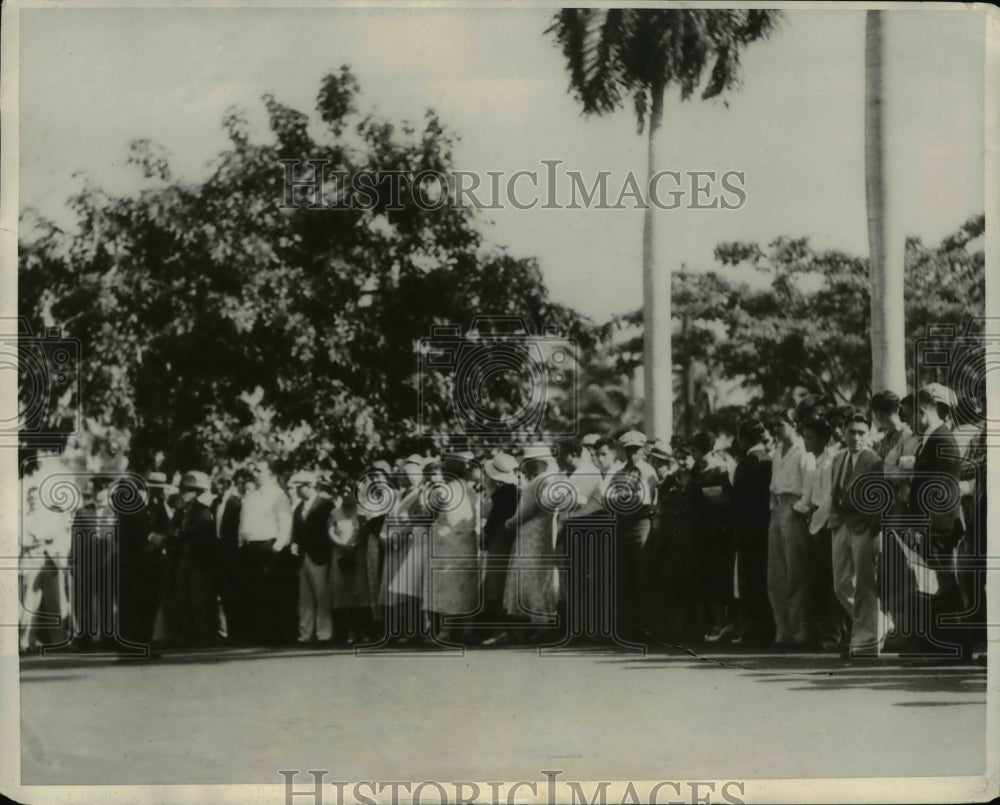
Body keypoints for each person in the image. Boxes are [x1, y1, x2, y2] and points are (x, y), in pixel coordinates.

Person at [902, 383, 966, 656]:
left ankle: (951, 645)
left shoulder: (941, 440)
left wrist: (922, 525)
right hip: (935, 526)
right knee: (940, 584)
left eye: (911, 415)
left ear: (922, 411)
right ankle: (943, 644)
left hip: (937, 527)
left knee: (945, 585)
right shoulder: (936, 439)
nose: (910, 422)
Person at [828, 413, 885, 658]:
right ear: (844, 432)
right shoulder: (839, 458)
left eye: (862, 432)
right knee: (841, 584)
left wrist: (874, 527)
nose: (856, 437)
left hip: (864, 526)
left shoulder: (873, 460)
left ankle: (866, 643)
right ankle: (880, 623)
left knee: (864, 584)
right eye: (852, 431)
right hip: (841, 523)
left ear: (869, 434)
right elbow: (834, 489)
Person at [870, 390, 921, 647]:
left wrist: (887, 474)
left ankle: (906, 627)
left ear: (878, 414)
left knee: (902, 566)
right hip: (887, 508)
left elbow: (901, 471)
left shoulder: (907, 437)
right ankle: (898, 626)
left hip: (901, 505)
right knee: (888, 568)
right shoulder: (886, 438)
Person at [798, 417, 850, 651]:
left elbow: (829, 499)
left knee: (830, 581)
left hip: (826, 524)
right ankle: (831, 632)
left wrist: (817, 523)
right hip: (816, 522)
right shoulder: (817, 462)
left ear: (822, 439)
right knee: (820, 582)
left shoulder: (831, 463)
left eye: (810, 437)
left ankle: (835, 634)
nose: (806, 441)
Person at [766, 412, 816, 647]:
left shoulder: (803, 451)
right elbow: (774, 485)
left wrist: (800, 508)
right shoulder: (777, 453)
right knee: (776, 575)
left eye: (781, 425)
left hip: (794, 509)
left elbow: (809, 483)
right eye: (774, 426)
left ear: (793, 425)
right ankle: (783, 629)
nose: (777, 429)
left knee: (796, 574)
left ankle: (800, 632)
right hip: (778, 509)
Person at [502, 446, 560, 642]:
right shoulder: (540, 481)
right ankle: (532, 622)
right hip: (530, 533)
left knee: (535, 576)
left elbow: (529, 509)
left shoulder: (542, 481)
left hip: (536, 533)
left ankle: (543, 623)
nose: (524, 468)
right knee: (528, 576)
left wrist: (510, 522)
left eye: (528, 463)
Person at [606, 430, 658, 641]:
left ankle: (647, 627)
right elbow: (609, 496)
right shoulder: (620, 471)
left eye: (635, 450)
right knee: (625, 574)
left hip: (641, 523)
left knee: (642, 573)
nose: (632, 454)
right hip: (623, 523)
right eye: (628, 450)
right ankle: (629, 626)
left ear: (643, 450)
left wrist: (623, 497)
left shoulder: (647, 471)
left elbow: (643, 499)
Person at [237, 461, 294, 645]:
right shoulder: (251, 496)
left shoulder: (278, 495)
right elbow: (244, 522)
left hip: (268, 546)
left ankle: (274, 635)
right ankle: (257, 634)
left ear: (270, 474)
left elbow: (285, 523)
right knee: (253, 591)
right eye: (254, 470)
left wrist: (277, 548)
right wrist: (242, 543)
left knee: (271, 591)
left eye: (259, 470)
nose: (255, 474)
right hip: (250, 547)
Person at [424, 455, 478, 643]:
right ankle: (466, 630)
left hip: (446, 545)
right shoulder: (472, 492)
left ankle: (446, 632)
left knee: (448, 588)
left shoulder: (443, 491)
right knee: (465, 587)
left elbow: (428, 512)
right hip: (466, 544)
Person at [731, 419, 774, 646]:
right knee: (763, 578)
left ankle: (753, 630)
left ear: (743, 438)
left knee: (750, 579)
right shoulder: (768, 459)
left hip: (748, 529)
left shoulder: (749, 462)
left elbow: (738, 498)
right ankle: (765, 627)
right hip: (765, 525)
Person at [163, 472, 218, 647]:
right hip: (182, 558)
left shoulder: (202, 510)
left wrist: (181, 533)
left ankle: (201, 635)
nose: (184, 493)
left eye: (188, 490)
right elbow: (173, 529)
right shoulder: (181, 511)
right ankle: (186, 635)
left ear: (196, 492)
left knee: (198, 599)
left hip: (197, 560)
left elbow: (201, 533)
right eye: (183, 490)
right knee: (182, 597)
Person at [288, 471, 335, 644]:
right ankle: (306, 633)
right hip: (302, 556)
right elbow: (296, 531)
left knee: (322, 595)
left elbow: (329, 530)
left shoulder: (325, 504)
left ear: (309, 486)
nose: (297, 490)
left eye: (299, 487)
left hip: (319, 555)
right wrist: (295, 544)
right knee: (305, 597)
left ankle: (324, 633)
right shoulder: (299, 507)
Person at [479, 452, 520, 646]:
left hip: (500, 541)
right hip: (504, 540)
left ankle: (500, 629)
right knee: (499, 583)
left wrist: (485, 534)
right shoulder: (512, 491)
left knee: (497, 584)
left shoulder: (503, 494)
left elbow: (494, 522)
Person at [330, 486, 373, 645]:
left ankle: (364, 631)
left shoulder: (361, 512)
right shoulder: (335, 512)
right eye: (344, 492)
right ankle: (350, 631)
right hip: (340, 555)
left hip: (357, 555)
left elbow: (363, 531)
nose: (347, 495)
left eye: (350, 492)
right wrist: (340, 544)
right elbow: (330, 530)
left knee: (360, 592)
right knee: (343, 592)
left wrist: (354, 545)